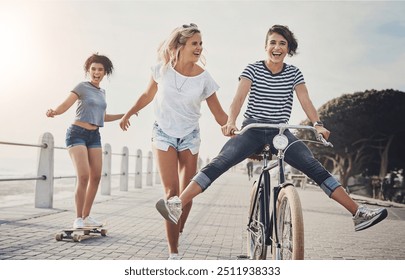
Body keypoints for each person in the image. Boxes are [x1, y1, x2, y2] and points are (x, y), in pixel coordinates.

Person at [156, 24, 388, 234]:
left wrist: (317, 124)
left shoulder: (294, 73)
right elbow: (238, 99)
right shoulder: (252, 69)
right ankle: (177, 204)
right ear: (266, 46)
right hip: (252, 130)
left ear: (288, 49)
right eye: (273, 43)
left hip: (281, 133)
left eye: (282, 43)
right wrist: (231, 122)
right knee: (220, 162)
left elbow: (305, 101)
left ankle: (358, 213)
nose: (277, 47)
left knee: (314, 168)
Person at [119, 23, 227, 260]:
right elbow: (147, 95)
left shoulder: (205, 79)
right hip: (163, 134)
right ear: (181, 45)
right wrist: (129, 113)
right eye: (194, 43)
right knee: (171, 193)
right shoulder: (162, 69)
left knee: (186, 194)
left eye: (200, 44)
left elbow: (220, 116)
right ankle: (173, 252)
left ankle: (177, 229)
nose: (199, 48)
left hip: (190, 137)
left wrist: (235, 130)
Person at [46, 53, 124, 229]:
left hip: (94, 135)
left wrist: (124, 115)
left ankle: (87, 216)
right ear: (89, 71)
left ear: (105, 72)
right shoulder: (82, 86)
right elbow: (66, 105)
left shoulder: (102, 92)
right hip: (77, 134)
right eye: (93, 69)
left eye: (100, 70)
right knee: (83, 176)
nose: (96, 72)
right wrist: (55, 112)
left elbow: (103, 117)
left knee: (96, 177)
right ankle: (78, 218)